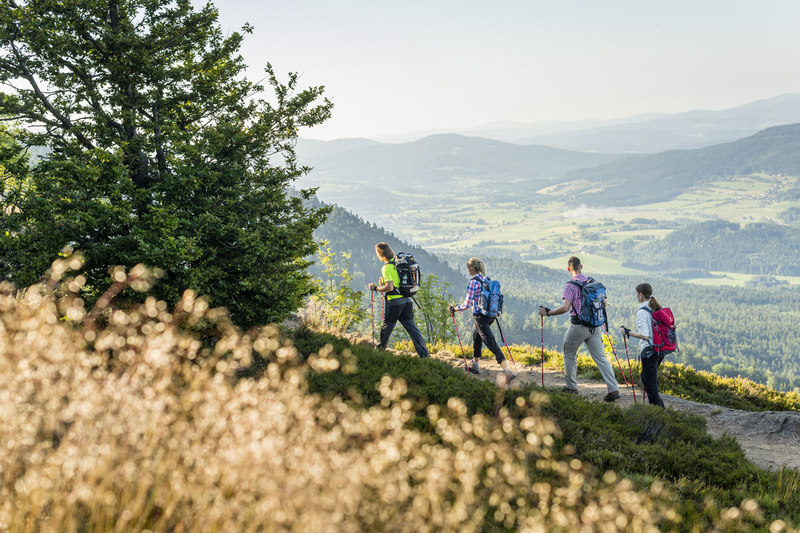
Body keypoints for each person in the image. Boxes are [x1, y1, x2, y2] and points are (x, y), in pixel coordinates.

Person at [539, 256, 620, 402]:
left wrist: (548, 312)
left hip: (578, 326)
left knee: (569, 353)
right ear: (581, 267)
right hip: (595, 326)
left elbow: (565, 308)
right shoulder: (593, 281)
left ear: (569, 269)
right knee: (601, 358)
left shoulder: (570, 285)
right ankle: (613, 389)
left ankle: (571, 387)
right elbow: (605, 303)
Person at [448, 257, 517, 385]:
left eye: (468, 268)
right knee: (477, 336)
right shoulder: (487, 279)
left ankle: (507, 371)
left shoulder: (472, 283)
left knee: (489, 341)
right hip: (490, 315)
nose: (468, 271)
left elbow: (466, 304)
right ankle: (475, 364)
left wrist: (454, 308)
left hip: (480, 316)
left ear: (472, 269)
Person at [368, 242, 430, 358]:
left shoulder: (386, 268)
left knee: (386, 327)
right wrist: (383, 284)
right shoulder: (397, 265)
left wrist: (376, 288)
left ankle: (379, 353)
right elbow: (395, 283)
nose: (376, 256)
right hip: (406, 301)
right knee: (413, 330)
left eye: (377, 253)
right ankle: (425, 355)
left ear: (381, 254)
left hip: (395, 303)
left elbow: (390, 287)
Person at [621, 283, 666, 408]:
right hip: (660, 349)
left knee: (650, 386)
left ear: (640, 294)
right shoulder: (655, 307)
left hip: (650, 351)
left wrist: (628, 332)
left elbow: (645, 335)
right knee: (646, 378)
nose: (637, 296)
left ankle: (659, 412)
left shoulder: (642, 311)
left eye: (637, 294)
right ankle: (656, 409)